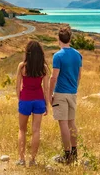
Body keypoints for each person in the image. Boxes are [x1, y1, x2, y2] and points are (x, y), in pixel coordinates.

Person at [49, 27, 83, 164]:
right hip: (72, 92)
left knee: (63, 123)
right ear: (70, 39)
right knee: (71, 123)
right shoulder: (78, 55)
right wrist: (75, 87)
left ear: (59, 39)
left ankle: (67, 155)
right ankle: (75, 153)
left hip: (61, 93)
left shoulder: (58, 56)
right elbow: (79, 75)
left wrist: (50, 93)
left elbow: (53, 77)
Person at [16, 39, 50, 167]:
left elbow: (17, 86)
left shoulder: (22, 66)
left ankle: (21, 159)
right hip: (39, 100)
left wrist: (20, 99)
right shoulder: (44, 68)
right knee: (36, 131)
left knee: (22, 129)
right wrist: (47, 105)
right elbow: (46, 89)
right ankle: (33, 160)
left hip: (25, 99)